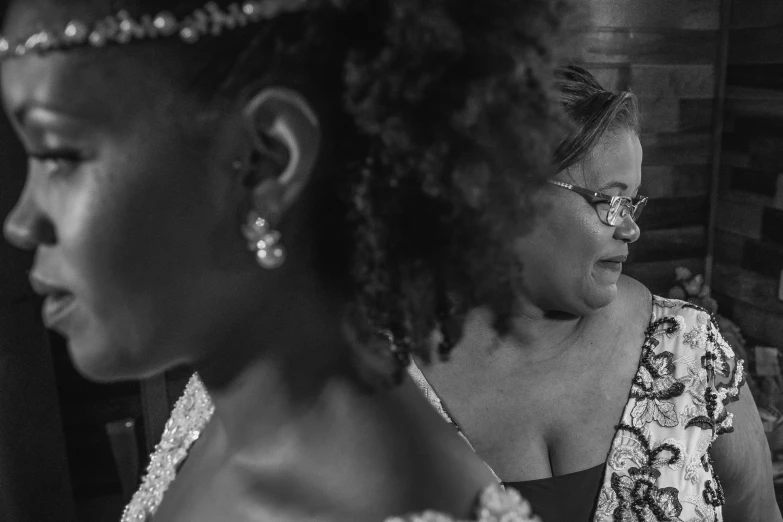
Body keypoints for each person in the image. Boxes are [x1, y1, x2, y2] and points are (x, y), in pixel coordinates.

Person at [0, 1, 572, 521]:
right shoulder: (224, 415)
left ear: (265, 164)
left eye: (58, 155)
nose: (21, 221)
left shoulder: (381, 501)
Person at [409, 65, 782, 522]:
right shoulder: (388, 381)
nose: (631, 228)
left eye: (634, 201)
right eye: (611, 200)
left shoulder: (690, 353)